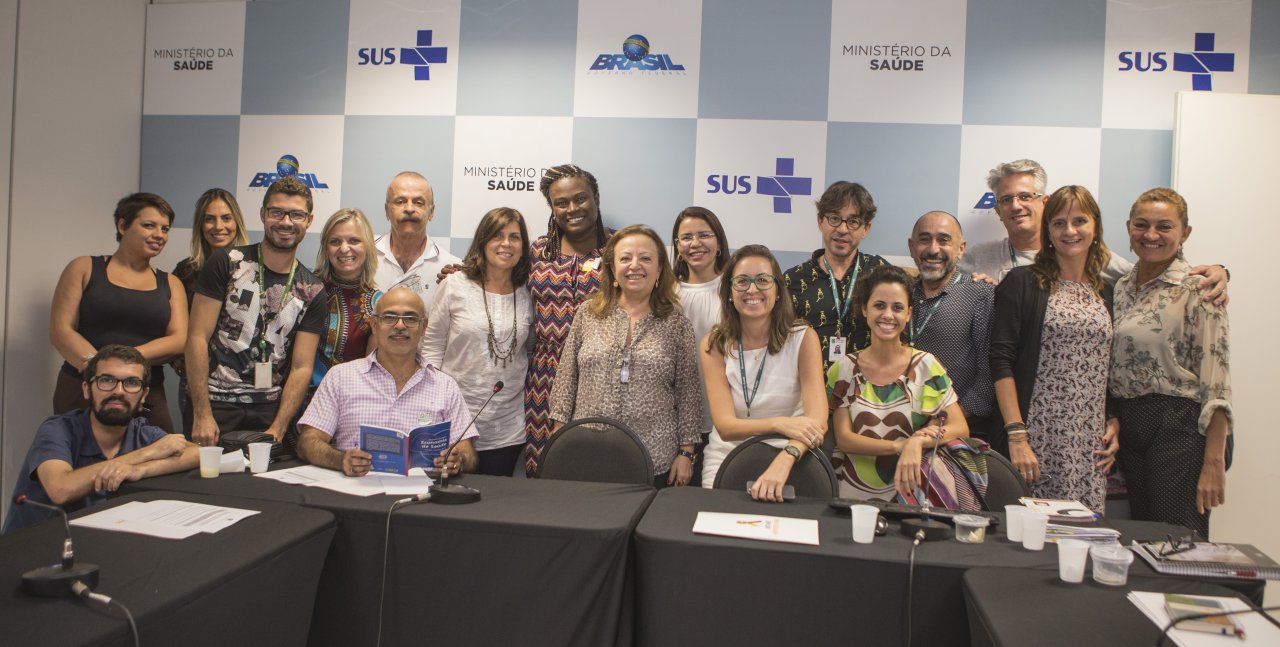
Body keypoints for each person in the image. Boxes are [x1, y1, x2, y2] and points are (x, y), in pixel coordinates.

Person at [990, 185, 1119, 514]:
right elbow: (1001, 362)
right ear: (1047, 230)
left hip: (1088, 446)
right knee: (1029, 541)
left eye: (1080, 221)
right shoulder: (1022, 282)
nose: (1070, 231)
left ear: (1096, 227)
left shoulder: (1109, 290)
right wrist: (1017, 438)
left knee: (1083, 540)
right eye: (1058, 223)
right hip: (1035, 440)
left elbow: (1112, 368)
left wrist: (1113, 424)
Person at [1110, 188, 1230, 538]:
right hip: (1132, 426)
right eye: (1141, 225)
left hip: (1179, 426)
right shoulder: (1122, 286)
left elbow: (1217, 379)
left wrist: (1213, 461)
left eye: (1164, 226)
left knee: (1179, 540)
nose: (1151, 235)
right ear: (1128, 228)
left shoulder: (1200, 288)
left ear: (1185, 233)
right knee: (1146, 539)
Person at [549, 225, 704, 487]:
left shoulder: (676, 323)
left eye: (645, 258)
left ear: (659, 269)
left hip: (654, 457)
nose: (635, 266)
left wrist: (686, 453)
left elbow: (688, 394)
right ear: (612, 268)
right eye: (625, 258)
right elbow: (565, 380)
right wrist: (557, 439)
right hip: (585, 451)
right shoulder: (588, 313)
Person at [960, 158, 1229, 302]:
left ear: (1045, 202)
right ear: (997, 210)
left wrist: (1219, 271)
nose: (1016, 206)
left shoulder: (1086, 254)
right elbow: (929, 275)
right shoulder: (980, 256)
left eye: (1025, 196)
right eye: (1006, 200)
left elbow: (1149, 276)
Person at [185, 176, 326, 448]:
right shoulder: (226, 263)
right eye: (277, 212)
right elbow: (196, 338)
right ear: (263, 215)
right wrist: (202, 413)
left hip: (269, 412)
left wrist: (279, 427)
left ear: (308, 221)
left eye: (296, 214)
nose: (286, 222)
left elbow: (301, 366)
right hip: (216, 406)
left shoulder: (312, 289)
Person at [4, 345, 199, 533]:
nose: (118, 391)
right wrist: (147, 453)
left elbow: (198, 454)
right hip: (32, 550)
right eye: (106, 380)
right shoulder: (57, 429)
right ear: (87, 389)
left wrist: (139, 470)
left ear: (143, 395)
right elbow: (60, 489)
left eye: (131, 383)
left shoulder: (142, 431)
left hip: (92, 544)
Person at [828, 265, 971, 503]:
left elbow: (959, 427)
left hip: (913, 493)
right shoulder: (843, 369)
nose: (888, 315)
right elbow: (844, 439)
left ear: (908, 314)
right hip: (851, 494)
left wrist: (918, 441)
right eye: (879, 305)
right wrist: (901, 446)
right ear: (865, 309)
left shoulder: (926, 366)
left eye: (897, 308)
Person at [297, 288, 477, 477]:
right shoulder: (341, 377)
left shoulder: (444, 385)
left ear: (424, 327)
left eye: (410, 318)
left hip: (423, 496)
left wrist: (458, 460)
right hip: (355, 491)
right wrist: (340, 460)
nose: (400, 325)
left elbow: (468, 452)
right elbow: (308, 442)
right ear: (374, 324)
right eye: (390, 317)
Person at [49, 192, 188, 433]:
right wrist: (102, 374)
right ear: (122, 225)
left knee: (154, 463)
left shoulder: (172, 283)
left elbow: (178, 340)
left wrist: (122, 367)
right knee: (79, 463)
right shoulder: (83, 268)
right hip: (82, 389)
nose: (159, 235)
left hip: (146, 393)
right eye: (149, 225)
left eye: (165, 229)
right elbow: (61, 330)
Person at [699, 245, 826, 501]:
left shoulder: (803, 338)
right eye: (742, 281)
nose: (753, 289)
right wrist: (780, 424)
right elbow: (725, 427)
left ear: (778, 290)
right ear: (729, 293)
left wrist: (787, 456)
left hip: (791, 452)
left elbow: (818, 422)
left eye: (763, 280)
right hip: (728, 453)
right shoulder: (714, 343)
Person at [425, 207, 532, 477]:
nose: (506, 244)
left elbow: (528, 351)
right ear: (482, 242)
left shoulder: (529, 292)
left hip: (506, 425)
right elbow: (432, 346)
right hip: (452, 418)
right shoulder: (454, 285)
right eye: (497, 236)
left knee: (493, 507)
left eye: (514, 237)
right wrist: (431, 404)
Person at [524, 164, 613, 476]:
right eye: (561, 203)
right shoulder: (536, 251)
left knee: (601, 465)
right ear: (552, 207)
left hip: (602, 372)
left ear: (596, 198)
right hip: (544, 376)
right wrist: (460, 273)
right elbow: (494, 277)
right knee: (546, 463)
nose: (572, 209)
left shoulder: (620, 249)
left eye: (580, 199)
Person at [905, 211, 1000, 454]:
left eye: (944, 240)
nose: (933, 249)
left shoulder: (980, 294)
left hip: (955, 438)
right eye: (924, 240)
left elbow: (988, 375)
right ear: (912, 247)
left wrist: (946, 420)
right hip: (897, 431)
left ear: (961, 248)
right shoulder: (900, 294)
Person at [783, 181, 891, 372]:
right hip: (811, 390)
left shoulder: (881, 273)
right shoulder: (794, 279)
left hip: (868, 391)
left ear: (866, 228)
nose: (842, 229)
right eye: (834, 218)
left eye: (853, 221)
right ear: (820, 221)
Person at [171, 188, 250, 435]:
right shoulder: (186, 272)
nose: (218, 226)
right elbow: (178, 332)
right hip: (199, 387)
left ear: (236, 222)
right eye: (209, 218)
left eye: (226, 218)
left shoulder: (253, 272)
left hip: (246, 390)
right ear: (200, 225)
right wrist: (192, 374)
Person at [672, 206, 730, 485]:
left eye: (704, 235)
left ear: (718, 241)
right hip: (676, 421)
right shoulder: (666, 293)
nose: (695, 244)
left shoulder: (736, 291)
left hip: (724, 418)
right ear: (677, 246)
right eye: (686, 237)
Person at [311, 208, 382, 387]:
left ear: (367, 246)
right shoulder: (307, 290)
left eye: (354, 241)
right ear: (326, 248)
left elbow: (372, 372)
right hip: (305, 398)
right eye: (335, 241)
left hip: (353, 400)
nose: (344, 249)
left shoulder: (378, 304)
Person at [373, 171, 460, 312]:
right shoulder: (363, 257)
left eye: (418, 202)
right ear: (387, 211)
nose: (409, 208)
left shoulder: (450, 270)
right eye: (400, 201)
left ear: (431, 212)